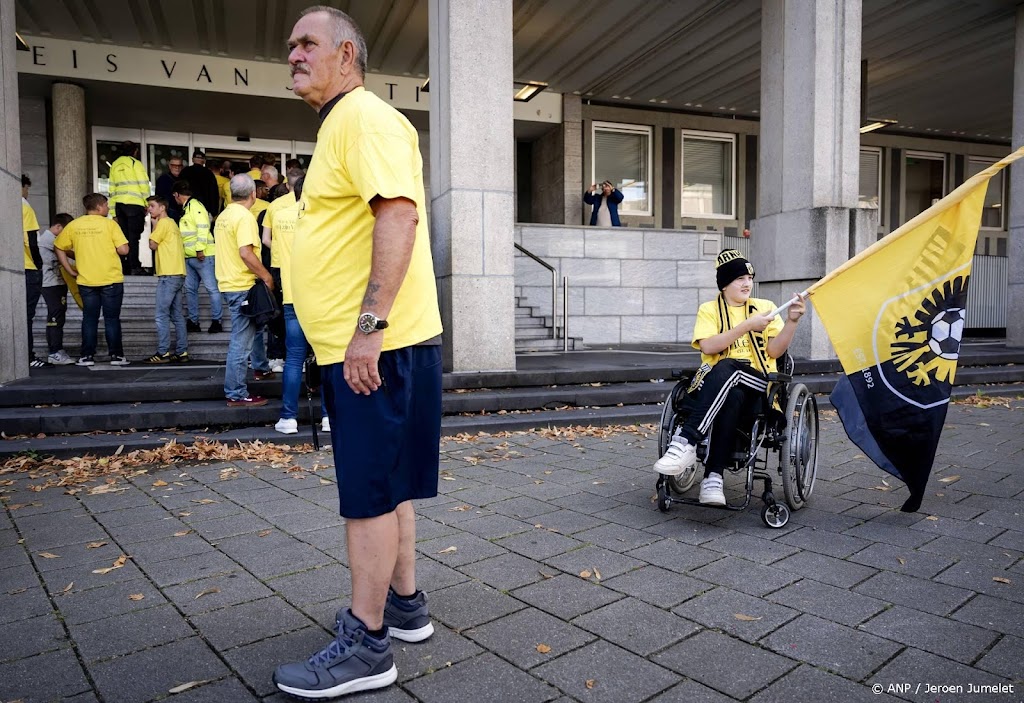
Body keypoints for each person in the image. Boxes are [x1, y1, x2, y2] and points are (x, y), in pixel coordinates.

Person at [273, 7, 444, 698]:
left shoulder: (363, 117)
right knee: (390, 481)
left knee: (369, 493)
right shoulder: (347, 122)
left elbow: (396, 214)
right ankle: (403, 605)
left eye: (306, 43)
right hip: (381, 343)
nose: (293, 54)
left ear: (347, 55)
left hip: (377, 344)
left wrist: (368, 325)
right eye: (290, 46)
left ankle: (367, 642)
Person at [654, 249, 806, 505]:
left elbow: (774, 351)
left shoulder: (766, 308)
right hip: (719, 390)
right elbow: (708, 347)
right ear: (725, 284)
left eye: (750, 277)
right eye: (740, 278)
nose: (747, 283)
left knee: (728, 368)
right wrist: (746, 326)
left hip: (759, 386)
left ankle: (687, 442)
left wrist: (791, 321)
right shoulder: (709, 309)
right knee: (729, 387)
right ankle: (713, 477)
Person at [268, 177, 328, 434]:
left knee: (293, 359)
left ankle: (289, 418)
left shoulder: (281, 217)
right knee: (326, 358)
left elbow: (279, 259)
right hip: (322, 297)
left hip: (294, 294)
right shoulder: (326, 217)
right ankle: (328, 417)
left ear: (294, 191)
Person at [215, 174, 275, 407]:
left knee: (246, 337)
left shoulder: (224, 216)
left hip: (229, 284)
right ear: (253, 194)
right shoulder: (245, 217)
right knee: (241, 343)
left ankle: (254, 373)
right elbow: (245, 252)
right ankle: (236, 393)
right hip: (242, 286)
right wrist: (267, 276)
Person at [54, 194, 131, 367]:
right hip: (110, 278)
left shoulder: (75, 225)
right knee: (111, 318)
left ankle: (86, 356)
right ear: (99, 207)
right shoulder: (110, 224)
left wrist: (68, 269)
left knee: (89, 318)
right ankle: (116, 356)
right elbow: (124, 250)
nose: (108, 208)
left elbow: (58, 246)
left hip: (86, 280)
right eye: (106, 205)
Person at [173, 180, 223, 334]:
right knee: (190, 290)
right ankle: (193, 321)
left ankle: (217, 321)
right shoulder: (188, 207)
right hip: (190, 256)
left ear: (177, 195)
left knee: (211, 289)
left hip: (203, 255)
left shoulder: (195, 206)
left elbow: (203, 227)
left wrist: (200, 249)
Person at [145, 196, 189, 364]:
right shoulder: (172, 223)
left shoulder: (163, 224)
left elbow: (152, 244)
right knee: (177, 315)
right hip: (178, 273)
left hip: (168, 274)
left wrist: (154, 224)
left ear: (162, 208)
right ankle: (182, 351)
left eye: (152, 206)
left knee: (161, 315)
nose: (149, 209)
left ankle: (163, 352)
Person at [37, 213, 76, 365]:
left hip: (56, 282)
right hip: (51, 284)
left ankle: (57, 350)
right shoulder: (49, 240)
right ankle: (54, 352)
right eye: (67, 231)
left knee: (58, 316)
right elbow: (68, 252)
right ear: (58, 227)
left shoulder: (49, 239)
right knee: (55, 317)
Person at [106, 141, 150, 275]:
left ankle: (124, 266)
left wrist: (113, 212)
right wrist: (147, 202)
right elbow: (143, 184)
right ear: (135, 151)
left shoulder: (114, 165)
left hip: (120, 207)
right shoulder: (135, 164)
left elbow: (111, 190)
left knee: (123, 237)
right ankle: (134, 266)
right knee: (133, 237)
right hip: (135, 205)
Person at [22, 175, 48, 367]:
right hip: (28, 268)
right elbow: (31, 240)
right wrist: (39, 264)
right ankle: (28, 357)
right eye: (27, 188)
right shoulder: (24, 207)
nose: (27, 192)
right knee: (26, 315)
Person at [180, 149, 221, 217]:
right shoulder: (209, 174)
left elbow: (179, 190)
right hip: (204, 210)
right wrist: (213, 212)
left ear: (192, 159)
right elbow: (214, 193)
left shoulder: (185, 172)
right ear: (204, 161)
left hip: (187, 209)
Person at [155, 156, 185, 222]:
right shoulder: (163, 180)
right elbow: (159, 199)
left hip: (183, 212)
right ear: (170, 166)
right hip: (168, 212)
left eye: (179, 166)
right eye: (174, 166)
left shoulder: (185, 180)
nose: (177, 168)